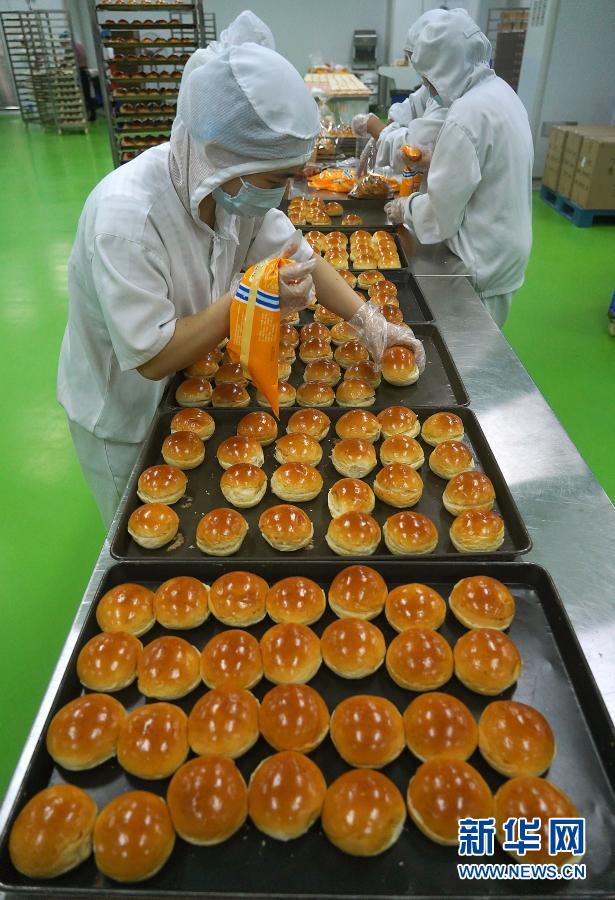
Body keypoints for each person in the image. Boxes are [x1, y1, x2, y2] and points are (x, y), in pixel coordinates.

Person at [57, 11, 424, 527]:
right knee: (139, 522)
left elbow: (304, 260)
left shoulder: (230, 192)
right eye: (276, 178)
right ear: (224, 158)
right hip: (125, 407)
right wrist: (247, 300)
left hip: (186, 382)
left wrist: (369, 320)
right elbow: (152, 358)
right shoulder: (126, 219)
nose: (284, 192)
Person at [385, 10, 533, 327]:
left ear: (446, 69)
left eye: (429, 79)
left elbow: (442, 213)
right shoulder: (500, 92)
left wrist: (404, 207)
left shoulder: (466, 113)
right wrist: (435, 159)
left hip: (482, 255)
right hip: (505, 246)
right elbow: (484, 166)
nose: (429, 88)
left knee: (471, 343)